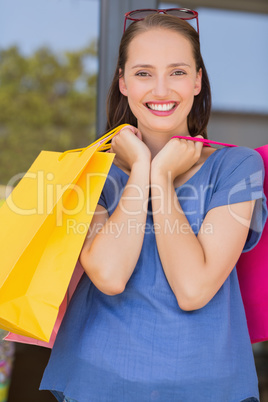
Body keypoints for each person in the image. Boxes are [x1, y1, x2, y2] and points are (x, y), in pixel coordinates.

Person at [40, 9, 267, 402]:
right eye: (144, 73)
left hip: (210, 387)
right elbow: (109, 275)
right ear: (123, 83)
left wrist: (161, 178)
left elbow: (193, 289)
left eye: (177, 72)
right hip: (96, 383)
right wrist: (143, 168)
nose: (161, 90)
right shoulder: (88, 171)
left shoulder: (237, 166)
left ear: (198, 81)